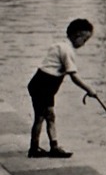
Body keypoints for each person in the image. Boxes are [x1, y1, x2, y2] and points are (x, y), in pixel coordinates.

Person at [27, 19, 98, 158]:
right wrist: (89, 89)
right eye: (84, 40)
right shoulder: (67, 51)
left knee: (49, 116)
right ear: (77, 35)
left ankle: (52, 146)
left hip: (43, 86)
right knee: (41, 117)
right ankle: (34, 149)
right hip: (43, 86)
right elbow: (73, 76)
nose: (84, 44)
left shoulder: (60, 45)